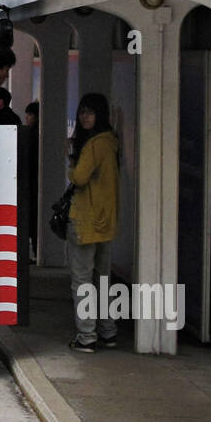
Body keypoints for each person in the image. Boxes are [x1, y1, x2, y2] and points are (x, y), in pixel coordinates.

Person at [66, 92, 120, 353]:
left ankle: (86, 335)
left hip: (85, 220)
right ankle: (108, 331)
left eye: (90, 112)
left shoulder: (94, 145)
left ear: (99, 115)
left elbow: (79, 177)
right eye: (82, 112)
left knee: (82, 279)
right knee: (103, 279)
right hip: (105, 221)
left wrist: (71, 161)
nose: (85, 117)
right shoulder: (111, 142)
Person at [25, 101, 39, 262]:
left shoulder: (30, 135)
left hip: (31, 182)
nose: (27, 118)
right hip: (35, 180)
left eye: (29, 115)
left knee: (32, 218)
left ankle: (36, 251)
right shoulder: (40, 135)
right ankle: (36, 251)